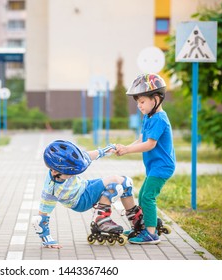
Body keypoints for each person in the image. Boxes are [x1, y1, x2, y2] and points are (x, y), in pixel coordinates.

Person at [31, 140, 138, 249]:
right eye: (70, 173)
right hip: (80, 201)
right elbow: (42, 218)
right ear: (54, 172)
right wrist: (47, 240)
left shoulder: (68, 165)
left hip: (85, 186)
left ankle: (137, 222)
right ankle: (100, 220)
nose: (74, 173)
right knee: (115, 185)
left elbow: (88, 156)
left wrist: (109, 149)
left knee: (126, 183)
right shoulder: (51, 189)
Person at [115, 73, 176, 245]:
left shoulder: (160, 119)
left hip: (162, 166)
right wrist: (125, 147)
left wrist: (128, 150)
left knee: (148, 196)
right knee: (143, 195)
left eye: (142, 102)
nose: (139, 106)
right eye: (137, 103)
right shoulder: (149, 117)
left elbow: (150, 144)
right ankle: (147, 225)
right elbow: (141, 140)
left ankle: (150, 234)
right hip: (154, 166)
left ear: (156, 98)